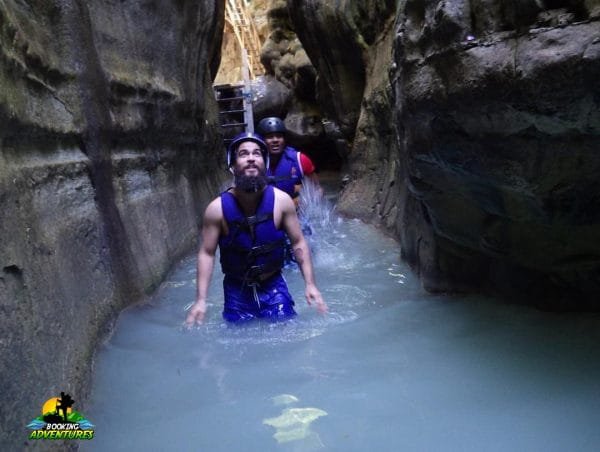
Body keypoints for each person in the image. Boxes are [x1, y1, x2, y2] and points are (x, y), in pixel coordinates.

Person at [185, 132, 327, 325]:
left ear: (265, 162)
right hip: (236, 290)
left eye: (257, 153)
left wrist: (310, 285)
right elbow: (207, 253)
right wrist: (201, 300)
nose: (251, 158)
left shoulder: (281, 202)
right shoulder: (216, 209)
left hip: (274, 285)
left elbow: (298, 241)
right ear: (233, 165)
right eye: (243, 154)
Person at [257, 117, 322, 206]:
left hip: (295, 210)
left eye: (279, 136)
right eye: (270, 137)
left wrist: (296, 204)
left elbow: (317, 190)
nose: (275, 140)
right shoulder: (253, 162)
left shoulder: (300, 159)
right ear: (261, 140)